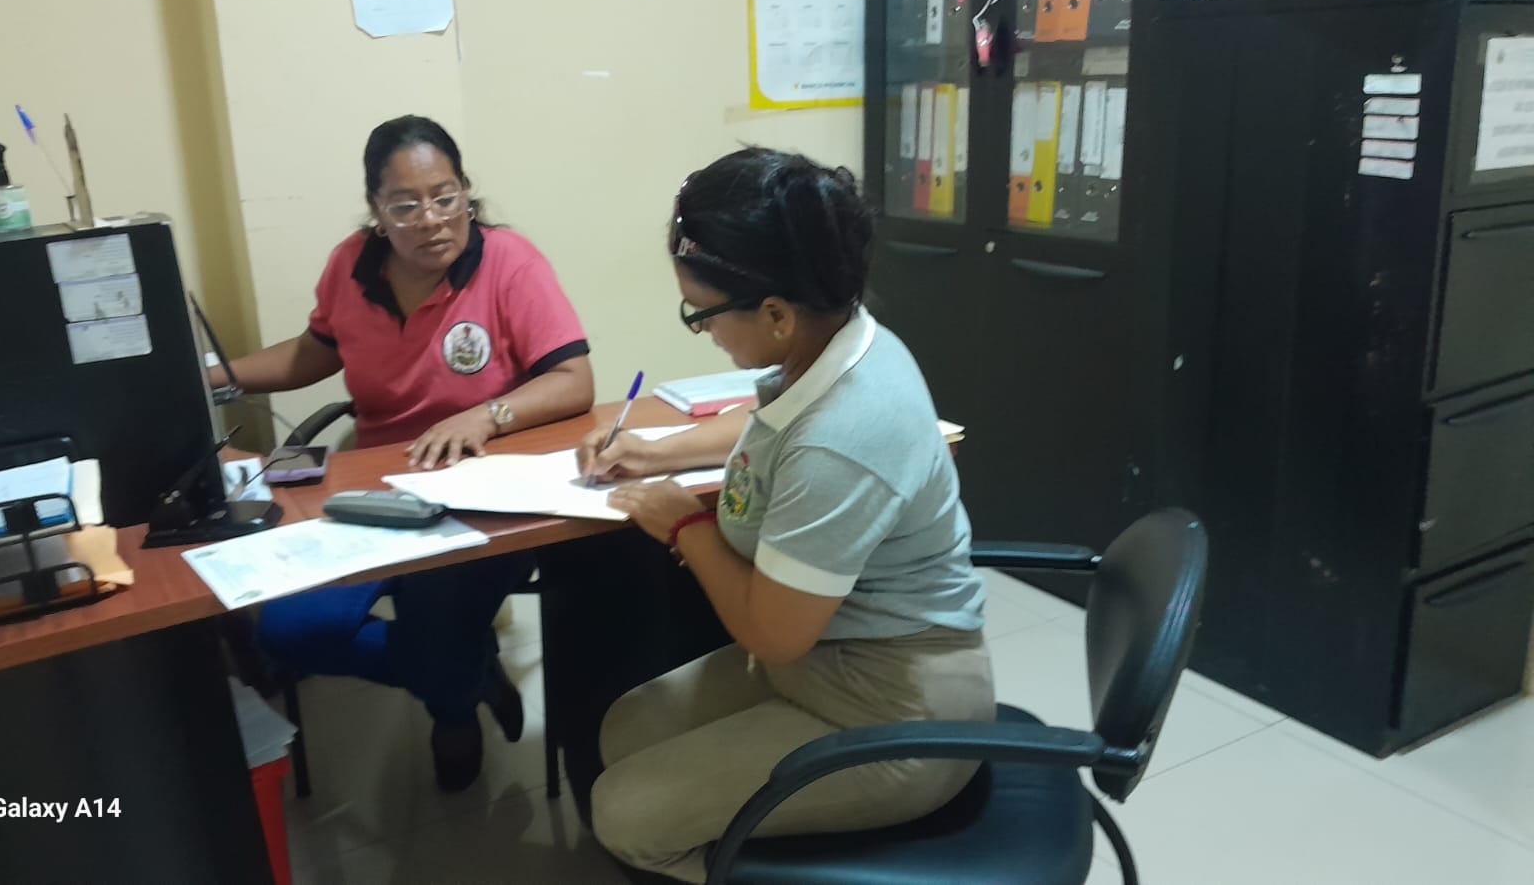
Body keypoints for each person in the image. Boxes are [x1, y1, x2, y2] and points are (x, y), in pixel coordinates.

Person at [576, 147, 992, 883]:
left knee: (623, 812)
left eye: (701, 313)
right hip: (820, 665)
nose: (701, 330)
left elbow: (773, 633)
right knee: (624, 729)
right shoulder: (838, 340)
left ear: (774, 314)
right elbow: (769, 421)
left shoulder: (845, 435)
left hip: (893, 710)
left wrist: (685, 525)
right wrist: (653, 452)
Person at [211, 115, 594, 791]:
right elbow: (316, 352)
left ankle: (453, 708)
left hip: (486, 498)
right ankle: (470, 675)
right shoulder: (350, 265)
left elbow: (573, 380)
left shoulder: (509, 262)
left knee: (436, 621)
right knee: (288, 632)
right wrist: (219, 377)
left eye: (446, 197)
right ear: (376, 210)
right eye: (406, 205)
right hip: (378, 490)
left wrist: (485, 415)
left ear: (466, 190)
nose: (432, 220)